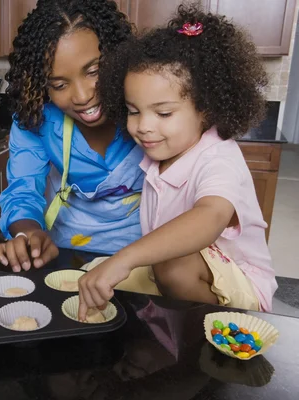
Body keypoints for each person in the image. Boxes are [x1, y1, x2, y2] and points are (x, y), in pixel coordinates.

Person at [78, 5, 278, 319]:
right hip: (176, 270)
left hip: (240, 289)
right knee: (93, 274)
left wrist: (126, 258)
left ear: (206, 110)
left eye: (164, 113)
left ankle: (198, 344)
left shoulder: (219, 157)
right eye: (134, 110)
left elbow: (209, 217)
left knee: (171, 267)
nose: (144, 126)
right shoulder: (162, 152)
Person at [0, 0, 145, 273]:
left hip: (147, 255)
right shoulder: (36, 118)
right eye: (60, 85)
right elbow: (23, 189)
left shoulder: (151, 108)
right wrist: (26, 233)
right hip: (69, 253)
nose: (83, 96)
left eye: (94, 71)